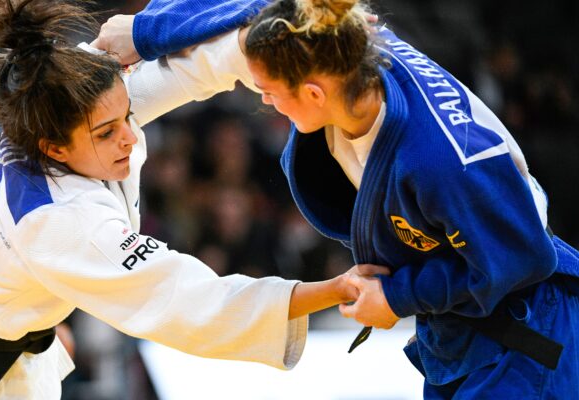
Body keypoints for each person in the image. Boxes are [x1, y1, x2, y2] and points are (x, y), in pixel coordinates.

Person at [0, 0, 387, 398]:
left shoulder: (62, 94)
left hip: (6, 344)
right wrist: (332, 288)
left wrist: (282, 58)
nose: (128, 137)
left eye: (124, 117)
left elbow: (182, 69)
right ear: (55, 149)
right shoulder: (62, 221)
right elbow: (189, 301)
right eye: (107, 134)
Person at [93, 0, 579, 398]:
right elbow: (261, 8)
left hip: (525, 334)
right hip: (462, 324)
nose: (264, 102)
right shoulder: (338, 38)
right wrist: (146, 32)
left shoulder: (439, 161)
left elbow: (524, 259)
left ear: (312, 93)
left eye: (270, 92)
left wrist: (397, 296)